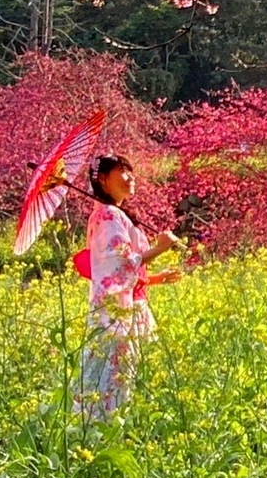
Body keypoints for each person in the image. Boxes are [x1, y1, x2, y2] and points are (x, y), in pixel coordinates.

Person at [72, 153, 183, 420]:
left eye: (130, 170)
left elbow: (128, 273)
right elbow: (118, 265)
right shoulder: (108, 215)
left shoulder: (116, 214)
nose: (130, 176)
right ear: (102, 179)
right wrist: (159, 249)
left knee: (131, 372)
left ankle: (122, 426)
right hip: (119, 313)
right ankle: (106, 430)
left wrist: (156, 277)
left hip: (132, 307)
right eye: (122, 170)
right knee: (115, 374)